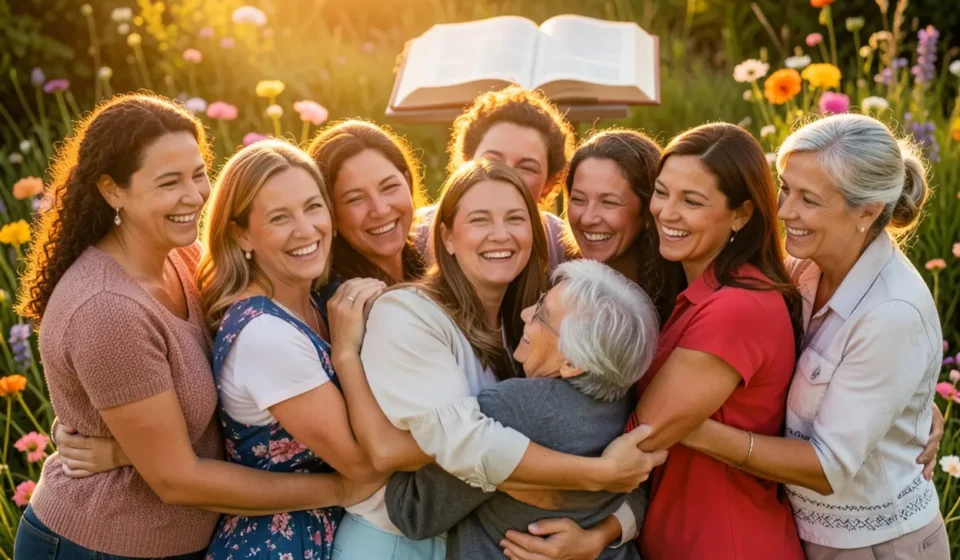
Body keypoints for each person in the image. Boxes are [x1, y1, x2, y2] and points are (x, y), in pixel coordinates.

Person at [13, 95, 364, 560]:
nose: (194, 195)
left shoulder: (182, 256)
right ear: (112, 190)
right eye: (168, 182)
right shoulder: (108, 310)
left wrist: (123, 452)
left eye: (199, 174)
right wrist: (341, 488)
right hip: (102, 544)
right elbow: (176, 478)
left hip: (181, 539)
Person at [328, 160, 665, 559]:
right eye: (480, 220)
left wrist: (601, 533)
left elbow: (631, 471)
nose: (500, 234)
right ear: (447, 238)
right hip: (400, 545)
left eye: (515, 218)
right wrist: (596, 476)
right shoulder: (408, 313)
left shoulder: (529, 324)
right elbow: (447, 445)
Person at [679, 114, 949, 559]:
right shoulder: (802, 264)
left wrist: (684, 427)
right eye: (785, 188)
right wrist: (914, 405)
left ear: (867, 211)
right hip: (801, 529)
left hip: (877, 546)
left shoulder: (891, 313)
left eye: (808, 199)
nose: (785, 212)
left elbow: (827, 467)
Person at [385, 259, 660, 560]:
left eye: (542, 315)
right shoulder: (625, 401)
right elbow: (639, 491)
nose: (525, 313)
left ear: (571, 363)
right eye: (540, 299)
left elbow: (413, 512)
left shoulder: (516, 409)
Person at [195, 140, 385, 558]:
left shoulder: (311, 302)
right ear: (241, 233)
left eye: (314, 207)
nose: (306, 230)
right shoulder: (266, 335)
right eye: (280, 218)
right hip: (279, 545)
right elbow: (363, 464)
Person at [414, 86, 575, 273]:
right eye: (492, 160)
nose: (505, 175)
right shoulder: (417, 235)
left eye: (526, 167)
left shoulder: (563, 246)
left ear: (548, 183)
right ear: (466, 162)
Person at [564, 129, 682, 321]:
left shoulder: (678, 300)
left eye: (609, 202)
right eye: (578, 199)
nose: (587, 218)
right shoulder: (560, 288)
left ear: (648, 211)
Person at [307, 120, 428, 285]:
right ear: (330, 212)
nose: (381, 210)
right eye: (356, 199)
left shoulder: (426, 259)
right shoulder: (350, 299)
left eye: (389, 187)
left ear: (407, 181)